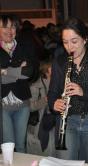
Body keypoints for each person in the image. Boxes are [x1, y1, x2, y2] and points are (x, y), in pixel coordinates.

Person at [48, 17, 88, 165]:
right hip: (68, 121)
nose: (70, 47)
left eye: (74, 41)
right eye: (65, 42)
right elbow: (52, 92)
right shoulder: (59, 61)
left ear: (85, 39)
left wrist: (83, 92)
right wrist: (53, 103)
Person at [0, 14, 39, 152]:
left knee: (21, 145)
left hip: (23, 103)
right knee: (8, 145)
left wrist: (4, 71)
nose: (10, 30)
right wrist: (18, 70)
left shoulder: (25, 47)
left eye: (13, 26)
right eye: (5, 26)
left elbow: (30, 73)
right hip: (2, 105)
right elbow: (22, 73)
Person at [27, 59, 56, 156]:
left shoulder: (58, 83)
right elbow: (30, 107)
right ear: (47, 70)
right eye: (53, 67)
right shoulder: (36, 86)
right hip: (40, 124)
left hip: (54, 122)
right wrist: (46, 99)